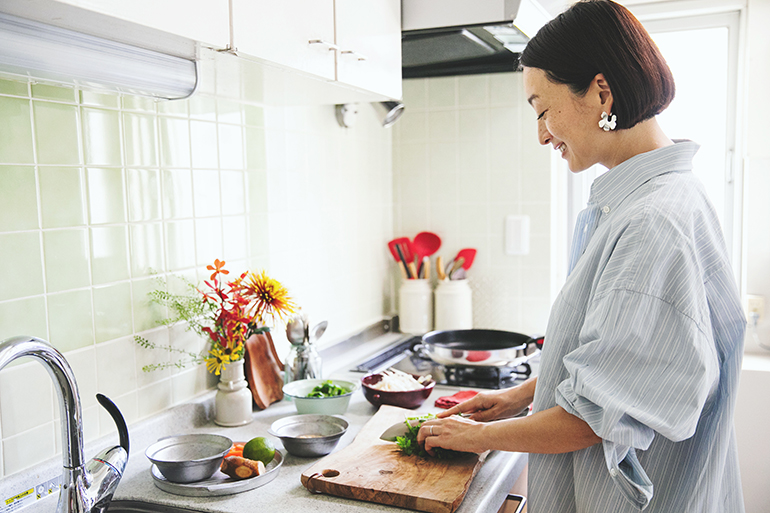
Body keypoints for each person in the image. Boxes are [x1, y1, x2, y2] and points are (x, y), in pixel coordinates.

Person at [415, 1, 746, 511]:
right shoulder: (654, 197)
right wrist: (521, 395)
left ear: (601, 91)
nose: (542, 133)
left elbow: (593, 419)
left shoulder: (652, 222)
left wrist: (476, 437)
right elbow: (619, 364)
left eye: (543, 109)